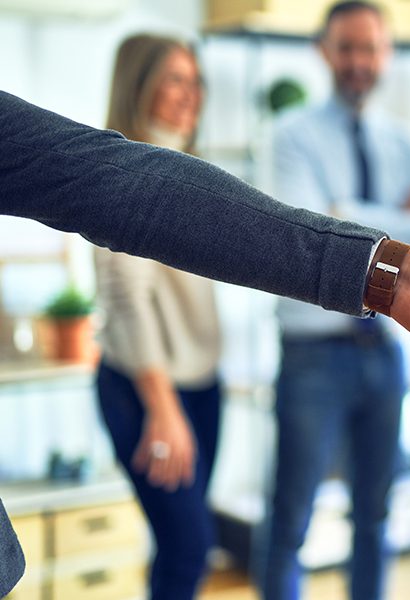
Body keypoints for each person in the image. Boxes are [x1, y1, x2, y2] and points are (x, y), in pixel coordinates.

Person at [0, 88, 410, 597]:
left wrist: (390, 272)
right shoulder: (292, 134)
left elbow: (125, 185)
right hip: (298, 359)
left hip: (361, 349)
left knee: (365, 517)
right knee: (266, 525)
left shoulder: (396, 138)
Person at [258, 3, 410, 599]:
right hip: (314, 353)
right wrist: (393, 224)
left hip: (382, 348)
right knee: (291, 519)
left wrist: (347, 214)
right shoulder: (288, 137)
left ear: (385, 55)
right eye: (348, 48)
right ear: (324, 51)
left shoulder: (400, 142)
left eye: (370, 49)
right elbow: (310, 231)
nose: (359, 62)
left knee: (376, 517)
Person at [92, 35, 222, 600]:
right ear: (137, 85)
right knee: (190, 548)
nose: (189, 94)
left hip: (202, 387)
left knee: (177, 551)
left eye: (195, 81)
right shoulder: (121, 173)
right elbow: (126, 297)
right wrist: (163, 408)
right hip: (149, 392)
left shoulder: (190, 169)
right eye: (174, 79)